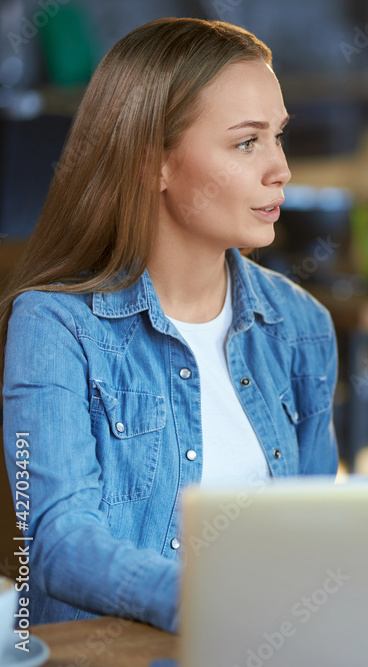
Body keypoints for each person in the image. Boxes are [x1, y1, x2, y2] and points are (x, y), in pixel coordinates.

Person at [0, 18, 338, 632]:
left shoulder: (301, 326)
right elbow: (56, 541)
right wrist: (213, 603)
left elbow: (315, 534)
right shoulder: (52, 328)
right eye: (246, 143)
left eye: (278, 137)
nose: (280, 169)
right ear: (152, 162)